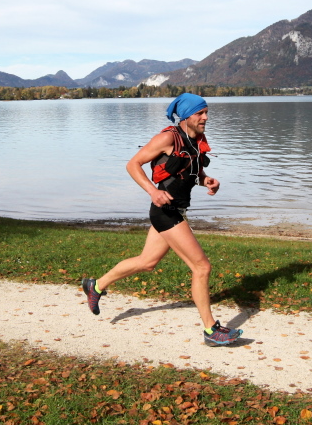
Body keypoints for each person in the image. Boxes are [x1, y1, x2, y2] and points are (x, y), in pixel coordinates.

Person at [82, 93, 243, 347]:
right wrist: (152, 191)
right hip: (165, 211)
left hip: (176, 210)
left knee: (147, 262)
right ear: (186, 116)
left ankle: (96, 285)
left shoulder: (196, 140)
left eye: (206, 112)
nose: (205, 117)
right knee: (201, 267)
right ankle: (211, 330)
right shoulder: (168, 138)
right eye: (200, 113)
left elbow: (190, 172)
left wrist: (206, 181)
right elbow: (133, 164)